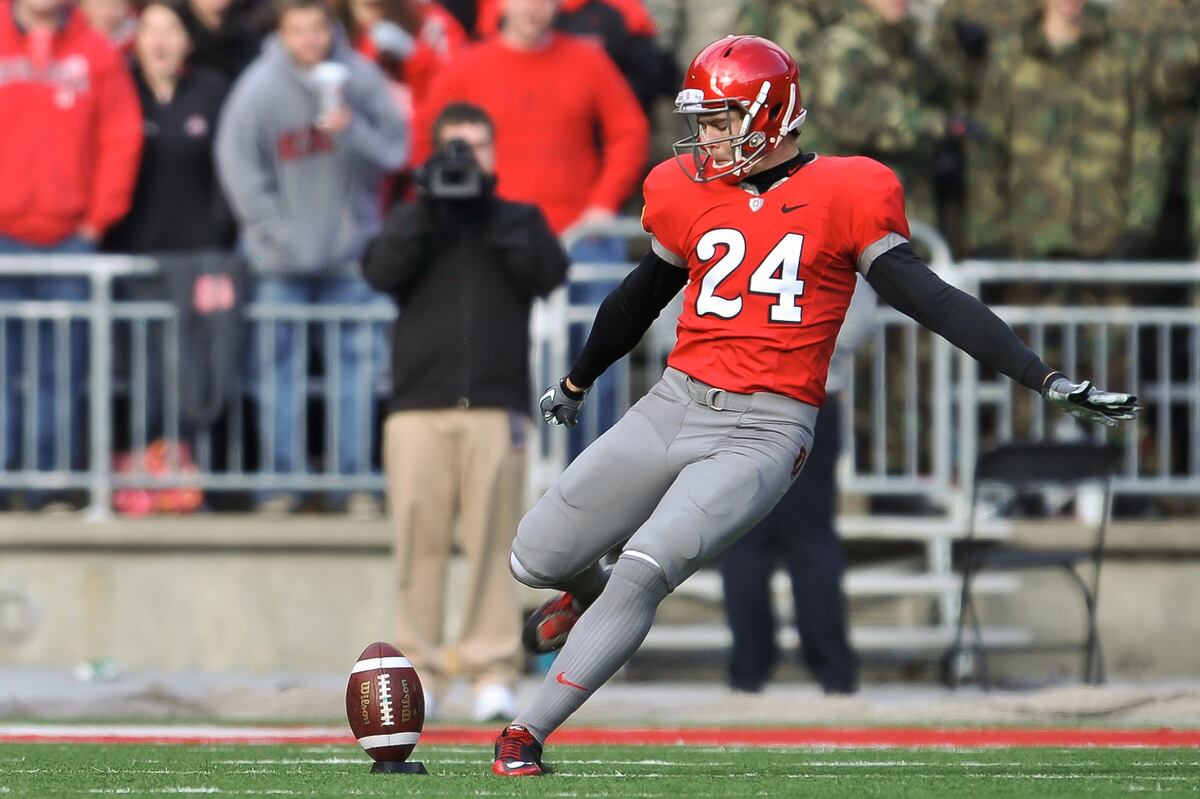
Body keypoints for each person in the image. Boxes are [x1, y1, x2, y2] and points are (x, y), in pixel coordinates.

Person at [488, 35, 1139, 776]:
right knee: (535, 556)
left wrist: (1041, 377)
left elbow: (931, 299)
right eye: (702, 121)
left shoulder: (848, 189)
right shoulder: (684, 189)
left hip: (766, 428)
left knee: (645, 566)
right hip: (674, 402)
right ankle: (587, 596)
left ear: (768, 116)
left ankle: (525, 733)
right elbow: (640, 296)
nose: (705, 137)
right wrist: (578, 380)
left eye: (720, 120)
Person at [362, 102, 568, 722]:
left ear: (493, 153)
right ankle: (418, 671)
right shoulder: (413, 219)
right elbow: (379, 271)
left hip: (494, 407)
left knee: (493, 545)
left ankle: (492, 669)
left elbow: (548, 272)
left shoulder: (515, 218)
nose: (465, 160)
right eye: (455, 148)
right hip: (417, 408)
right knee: (417, 545)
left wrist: (485, 210)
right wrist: (431, 209)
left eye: (475, 148)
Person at [215, 0, 408, 516]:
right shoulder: (258, 87)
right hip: (279, 264)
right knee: (276, 375)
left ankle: (355, 483)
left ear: (332, 28)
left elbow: (396, 152)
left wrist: (351, 130)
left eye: (317, 28)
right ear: (282, 33)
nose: (309, 40)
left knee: (358, 374)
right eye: (297, 30)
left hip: (351, 258)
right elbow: (238, 170)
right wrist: (274, 235)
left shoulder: (360, 78)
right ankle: (280, 484)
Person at [0, 0, 142, 510]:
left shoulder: (97, 52)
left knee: (60, 369)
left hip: (68, 241)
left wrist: (97, 218)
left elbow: (120, 136)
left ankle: (51, 483)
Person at [717, 279, 877, 697]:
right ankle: (830, 672)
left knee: (748, 538)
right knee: (804, 539)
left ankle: (750, 672)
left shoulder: (716, 232)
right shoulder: (832, 235)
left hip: (740, 396)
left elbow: (675, 310)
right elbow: (858, 314)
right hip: (808, 391)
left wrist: (731, 360)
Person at [967, 0, 1162, 260]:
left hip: (1107, 243)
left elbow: (1147, 147)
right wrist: (989, 234)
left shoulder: (1123, 55)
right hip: (1028, 246)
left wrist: (1139, 224)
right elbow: (986, 148)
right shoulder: (1010, 57)